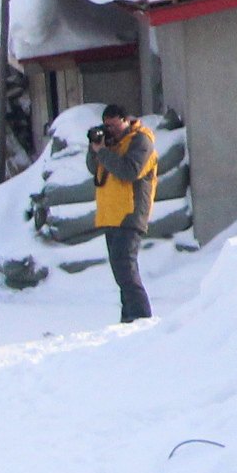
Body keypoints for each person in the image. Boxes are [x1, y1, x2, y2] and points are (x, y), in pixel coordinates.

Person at [88, 107, 156, 323]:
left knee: (125, 268)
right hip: (111, 215)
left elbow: (129, 171)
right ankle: (128, 319)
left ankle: (141, 318)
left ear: (126, 120)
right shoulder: (110, 144)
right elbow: (93, 169)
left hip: (130, 213)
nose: (111, 131)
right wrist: (96, 148)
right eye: (107, 126)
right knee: (120, 272)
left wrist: (104, 152)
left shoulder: (141, 141)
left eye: (114, 126)